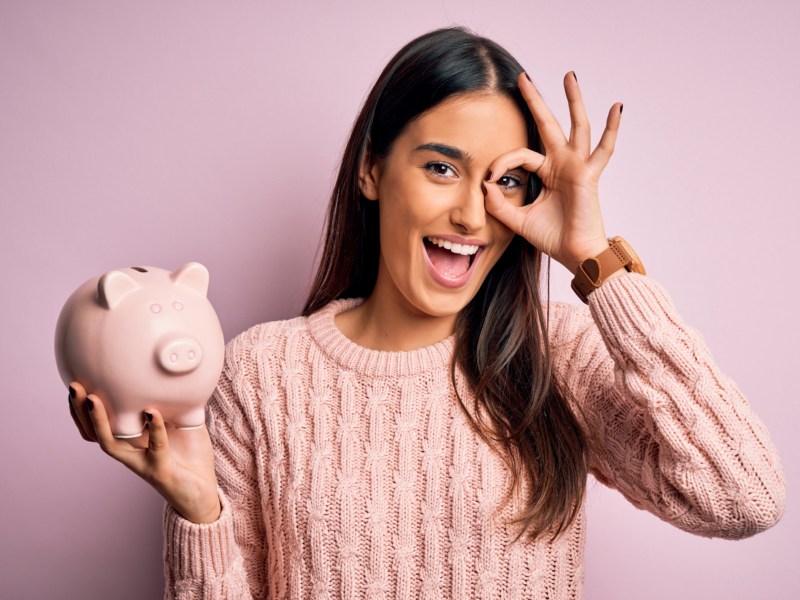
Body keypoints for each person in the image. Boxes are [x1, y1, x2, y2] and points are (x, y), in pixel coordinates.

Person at [67, 27, 786, 599]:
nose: (472, 214)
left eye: (504, 180)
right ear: (372, 169)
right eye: (441, 167)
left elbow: (743, 498)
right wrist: (198, 510)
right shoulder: (260, 372)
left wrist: (594, 258)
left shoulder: (553, 355)